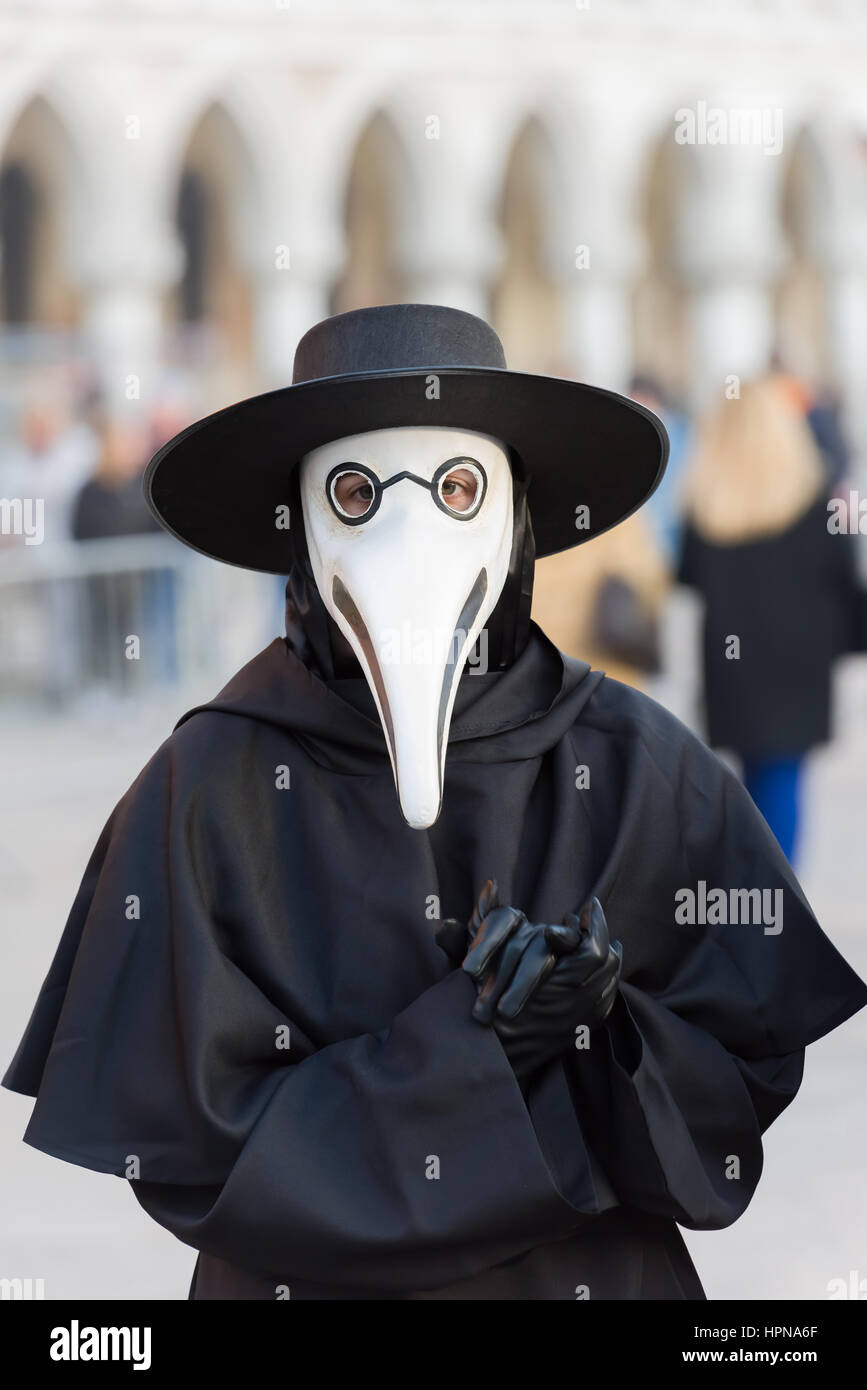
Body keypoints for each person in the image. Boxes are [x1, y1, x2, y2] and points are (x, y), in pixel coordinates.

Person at [3, 305, 865, 1301]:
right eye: (359, 493)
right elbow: (194, 1146)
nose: (412, 535)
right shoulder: (210, 787)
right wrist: (469, 1050)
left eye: (457, 488)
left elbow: (738, 1087)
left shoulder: (634, 766)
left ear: (514, 510)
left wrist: (603, 1027)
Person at [678, 376, 863, 865]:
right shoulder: (814, 497)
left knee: (750, 777)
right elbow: (842, 580)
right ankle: (776, 895)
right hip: (799, 663)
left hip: (733, 662)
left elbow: (688, 577)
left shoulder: (705, 503)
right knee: (783, 777)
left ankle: (756, 887)